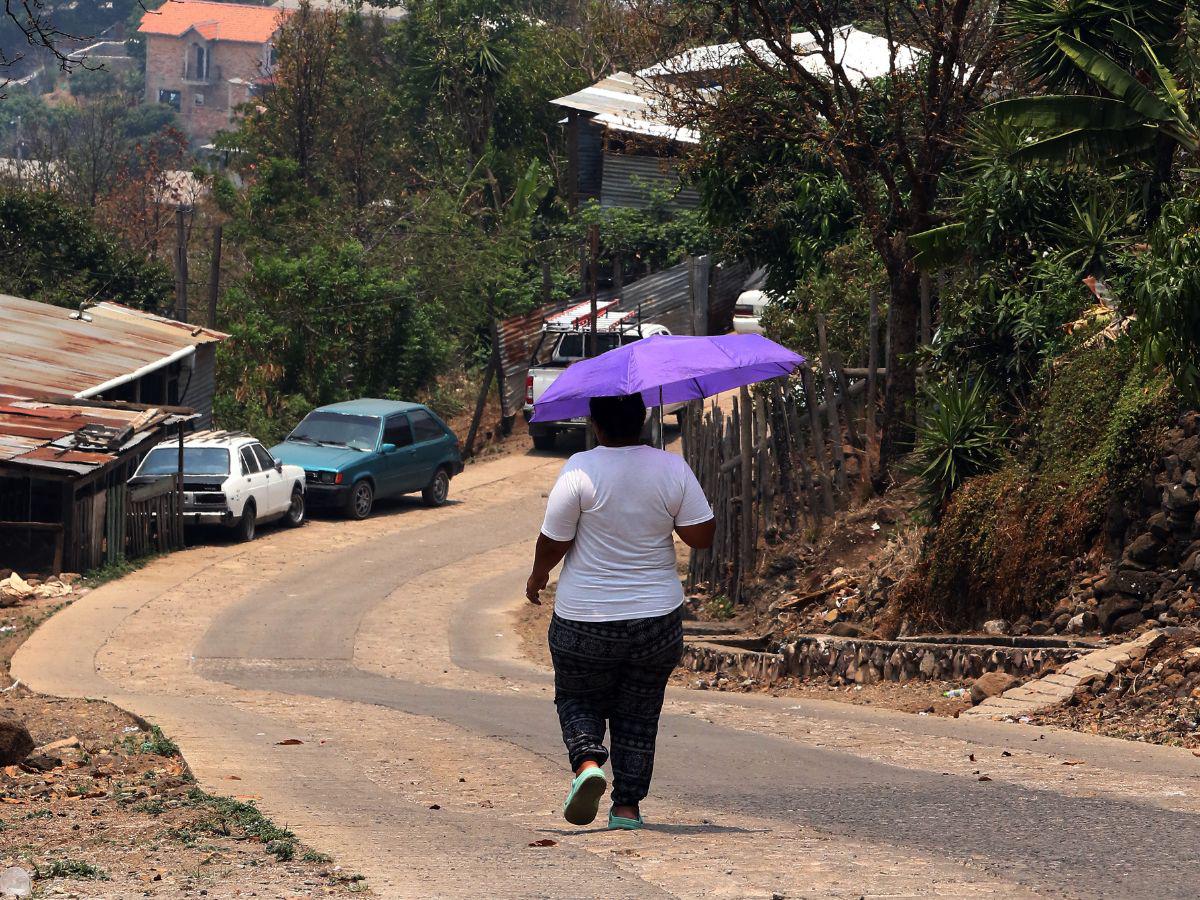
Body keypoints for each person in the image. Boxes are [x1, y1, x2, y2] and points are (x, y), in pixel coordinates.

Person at [526, 393, 715, 830]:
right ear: (645, 419)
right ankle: (627, 808)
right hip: (655, 620)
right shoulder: (671, 467)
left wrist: (537, 578)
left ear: (596, 424)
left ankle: (588, 764)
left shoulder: (579, 468)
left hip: (584, 619)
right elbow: (701, 537)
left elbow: (553, 539)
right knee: (639, 713)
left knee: (577, 696)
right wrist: (667, 505)